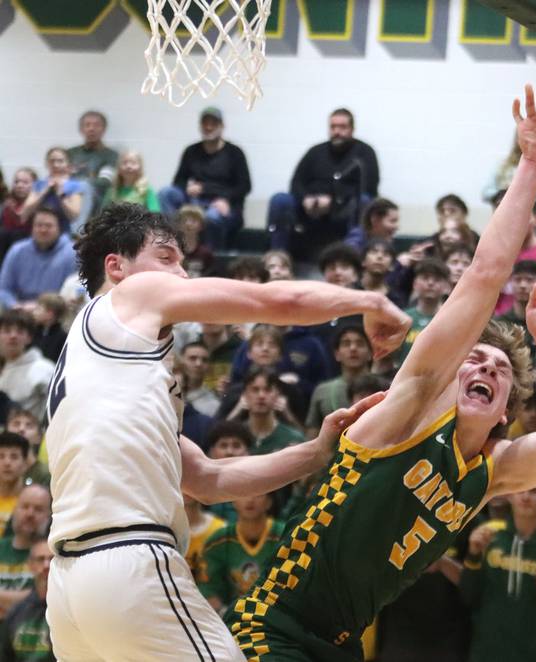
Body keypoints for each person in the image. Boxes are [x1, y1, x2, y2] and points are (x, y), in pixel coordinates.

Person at [228, 85, 536, 661]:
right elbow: (483, 274)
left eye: (499, 370)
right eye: (474, 357)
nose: (484, 365)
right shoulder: (410, 410)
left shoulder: (490, 475)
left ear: (506, 411)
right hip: (273, 625)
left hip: (341, 644)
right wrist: (532, 165)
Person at [43, 201, 410, 660]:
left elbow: (209, 480)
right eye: (166, 258)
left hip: (71, 585)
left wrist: (316, 452)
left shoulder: (103, 368)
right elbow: (276, 301)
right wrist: (369, 301)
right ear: (115, 267)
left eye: (183, 262)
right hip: (128, 561)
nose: (181, 275)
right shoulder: (128, 299)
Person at [460, 483, 536, 662]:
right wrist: (472, 555)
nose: (526, 496)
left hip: (535, 652)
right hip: (487, 650)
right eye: (520, 489)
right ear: (509, 494)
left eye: (534, 491)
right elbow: (468, 596)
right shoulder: (488, 535)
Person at [267, 108, 380, 262]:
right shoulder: (315, 151)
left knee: (364, 201)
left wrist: (335, 201)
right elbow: (296, 182)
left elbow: (369, 187)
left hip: (345, 208)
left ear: (352, 129)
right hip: (310, 208)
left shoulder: (365, 152)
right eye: (333, 127)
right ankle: (277, 258)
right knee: (280, 200)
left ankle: (351, 259)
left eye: (342, 127)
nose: (337, 131)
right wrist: (304, 198)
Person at [160, 107, 252, 249]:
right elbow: (178, 181)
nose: (208, 127)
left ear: (222, 126)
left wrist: (223, 198)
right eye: (205, 123)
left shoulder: (235, 153)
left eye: (213, 123)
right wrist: (187, 188)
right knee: (165, 193)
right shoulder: (191, 151)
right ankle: (172, 243)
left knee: (212, 217)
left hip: (221, 202)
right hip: (193, 201)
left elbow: (244, 186)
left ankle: (211, 258)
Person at [198, 493, 284, 613]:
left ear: (270, 502)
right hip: (231, 621)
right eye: (243, 493)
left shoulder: (285, 537)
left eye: (258, 494)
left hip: (276, 618)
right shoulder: (217, 542)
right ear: (232, 500)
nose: (250, 499)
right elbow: (209, 591)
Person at [0, 207, 77, 309]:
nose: (43, 230)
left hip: (54, 313)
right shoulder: (17, 250)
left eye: (48, 226)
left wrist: (41, 308)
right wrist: (14, 305)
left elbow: (70, 294)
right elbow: (4, 288)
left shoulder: (72, 255)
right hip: (18, 311)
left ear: (60, 228)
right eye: (39, 225)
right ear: (32, 228)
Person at [305, 325, 372, 438]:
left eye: (360, 343)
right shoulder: (322, 390)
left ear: (371, 353)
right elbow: (312, 436)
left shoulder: (385, 387)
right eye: (346, 343)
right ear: (337, 354)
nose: (353, 348)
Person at [0, 485, 51, 622]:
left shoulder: (51, 555)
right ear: (15, 510)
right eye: (25, 507)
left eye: (38, 509)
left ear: (49, 515)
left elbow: (42, 597)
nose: (30, 514)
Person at [0, 537, 55, 661]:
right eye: (40, 559)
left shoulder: (70, 610)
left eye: (51, 559)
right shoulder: (16, 612)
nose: (46, 565)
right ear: (30, 565)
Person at [393, 258, 450, 368]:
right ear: (415, 284)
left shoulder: (453, 319)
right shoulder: (402, 318)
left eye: (437, 279)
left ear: (446, 287)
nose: (430, 283)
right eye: (425, 278)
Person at [0, 311, 55, 421]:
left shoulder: (44, 369)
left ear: (29, 338)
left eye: (20, 331)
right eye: (7, 331)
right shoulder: (4, 368)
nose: (13, 336)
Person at [20, 148, 83, 236]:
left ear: (67, 163)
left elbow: (73, 215)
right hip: (39, 233)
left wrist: (60, 194)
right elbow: (25, 213)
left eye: (60, 161)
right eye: (52, 161)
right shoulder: (39, 184)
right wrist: (44, 192)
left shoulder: (74, 185)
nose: (56, 164)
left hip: (63, 235)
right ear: (47, 163)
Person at [66, 109, 118, 212]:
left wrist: (78, 182)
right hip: (69, 205)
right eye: (87, 125)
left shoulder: (111, 155)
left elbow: (105, 182)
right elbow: (62, 179)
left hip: (98, 207)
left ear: (104, 129)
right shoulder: (70, 153)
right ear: (81, 129)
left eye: (96, 125)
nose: (91, 129)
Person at [0, 168, 37, 262]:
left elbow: (21, 217)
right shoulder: (7, 203)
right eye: (16, 182)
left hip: (27, 253)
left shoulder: (38, 204)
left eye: (25, 182)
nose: (19, 185)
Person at [0, 433, 29, 536]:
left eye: (14, 457)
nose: (7, 462)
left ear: (25, 464)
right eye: (1, 456)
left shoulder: (32, 503)